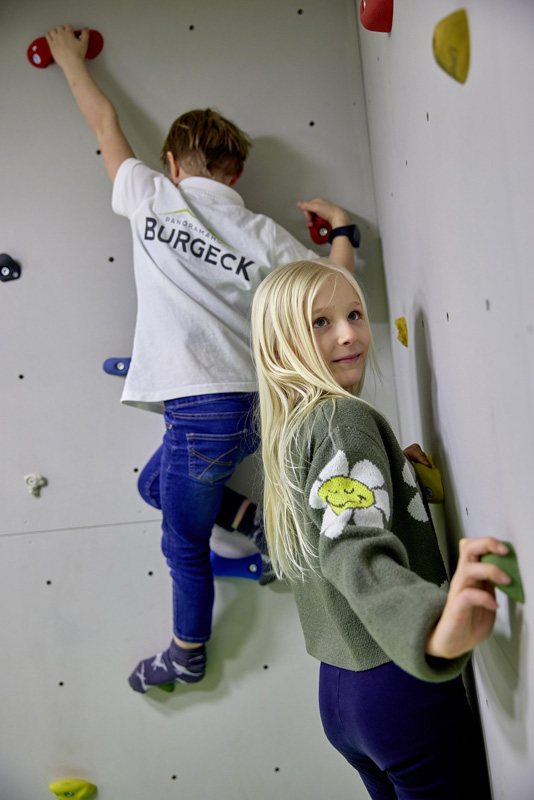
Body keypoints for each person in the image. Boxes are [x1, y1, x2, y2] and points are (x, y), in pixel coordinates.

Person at [45, 25, 360, 693]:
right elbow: (336, 287)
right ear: (235, 173)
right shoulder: (262, 234)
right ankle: (264, 532)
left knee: (181, 545)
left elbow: (102, 121)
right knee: (152, 488)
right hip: (249, 407)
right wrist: (341, 228)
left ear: (171, 162)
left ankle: (188, 653)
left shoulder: (150, 196)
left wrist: (71, 58)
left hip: (198, 412)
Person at [250, 258, 509, 800]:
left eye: (354, 314)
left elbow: (330, 520)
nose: (349, 334)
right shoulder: (343, 419)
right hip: (399, 679)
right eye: (320, 323)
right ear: (278, 347)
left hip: (341, 693)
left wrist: (399, 475)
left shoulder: (293, 430)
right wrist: (429, 625)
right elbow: (349, 546)